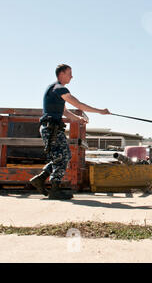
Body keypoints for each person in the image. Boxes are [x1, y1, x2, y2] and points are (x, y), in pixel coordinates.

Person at [30, 64, 110, 200]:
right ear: (61, 74)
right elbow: (78, 105)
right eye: (69, 73)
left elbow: (64, 111)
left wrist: (77, 119)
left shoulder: (54, 89)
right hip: (51, 128)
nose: (72, 77)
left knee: (62, 155)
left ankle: (42, 179)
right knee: (63, 156)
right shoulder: (60, 88)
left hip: (51, 128)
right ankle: (54, 189)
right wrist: (100, 111)